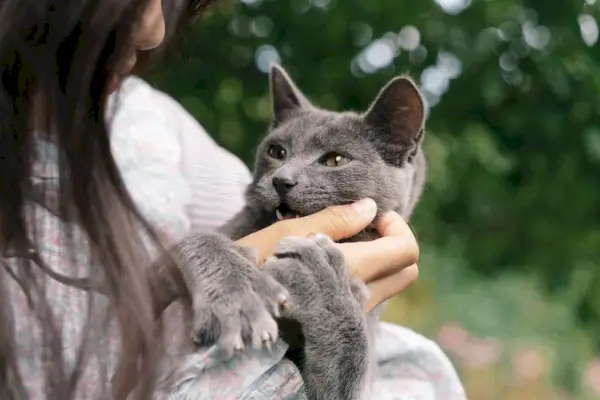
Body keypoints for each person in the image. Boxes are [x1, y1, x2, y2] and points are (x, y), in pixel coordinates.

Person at [0, 1, 461, 400]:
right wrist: (212, 253)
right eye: (278, 151)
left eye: (334, 159)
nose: (285, 175)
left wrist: (340, 322)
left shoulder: (154, 128)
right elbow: (154, 289)